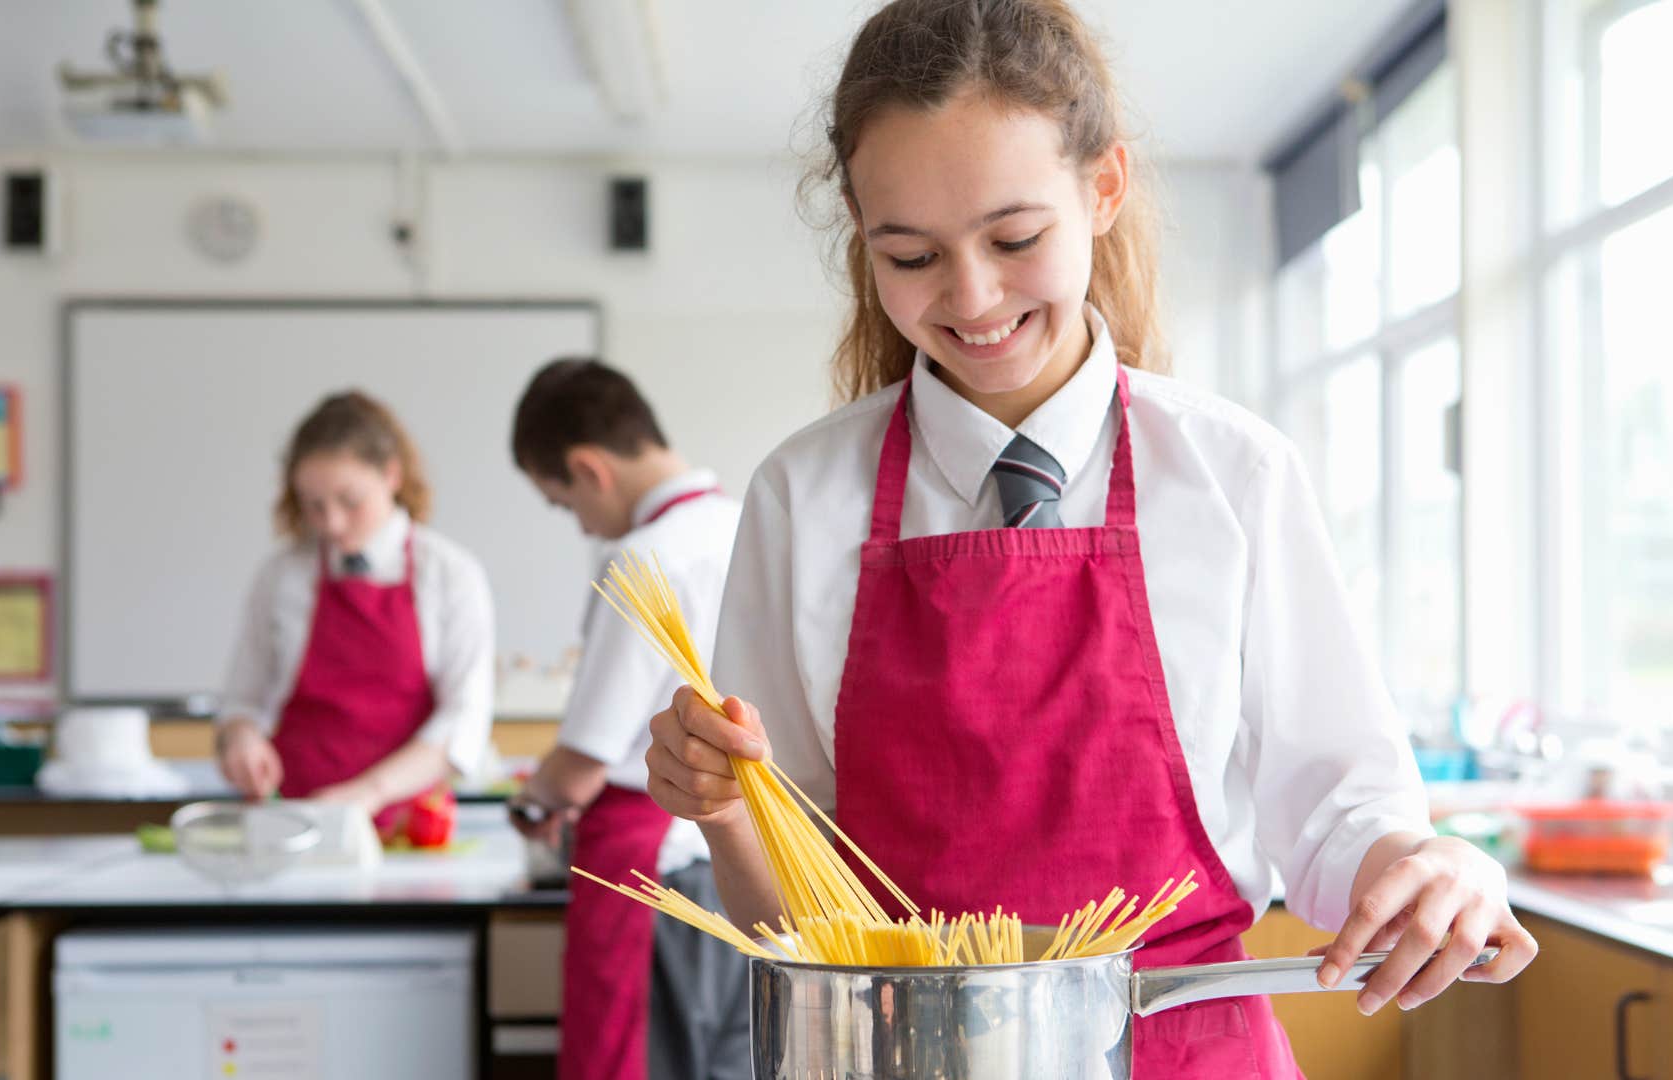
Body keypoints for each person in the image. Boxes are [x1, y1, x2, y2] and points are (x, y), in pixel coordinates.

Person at [641, 1, 1538, 1076]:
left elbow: (1340, 811)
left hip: (1184, 1050)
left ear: (1103, 189)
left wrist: (1432, 871)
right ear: (859, 230)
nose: (971, 298)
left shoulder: (1232, 476)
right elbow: (795, 922)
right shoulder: (803, 496)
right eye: (912, 254)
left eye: (1015, 239)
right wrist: (729, 815)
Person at [505, 359, 749, 1080]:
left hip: (656, 874)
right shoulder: (746, 525)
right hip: (751, 864)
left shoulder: (640, 558)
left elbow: (587, 754)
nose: (578, 522)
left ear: (589, 469)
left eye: (562, 502)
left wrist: (534, 803)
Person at [216, 391, 494, 828]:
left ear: (391, 475)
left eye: (350, 501)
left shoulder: (449, 574)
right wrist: (241, 739)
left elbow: (463, 719)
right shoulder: (281, 576)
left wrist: (370, 792)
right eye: (314, 505)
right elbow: (242, 700)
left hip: (410, 827)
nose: (332, 523)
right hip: (294, 821)